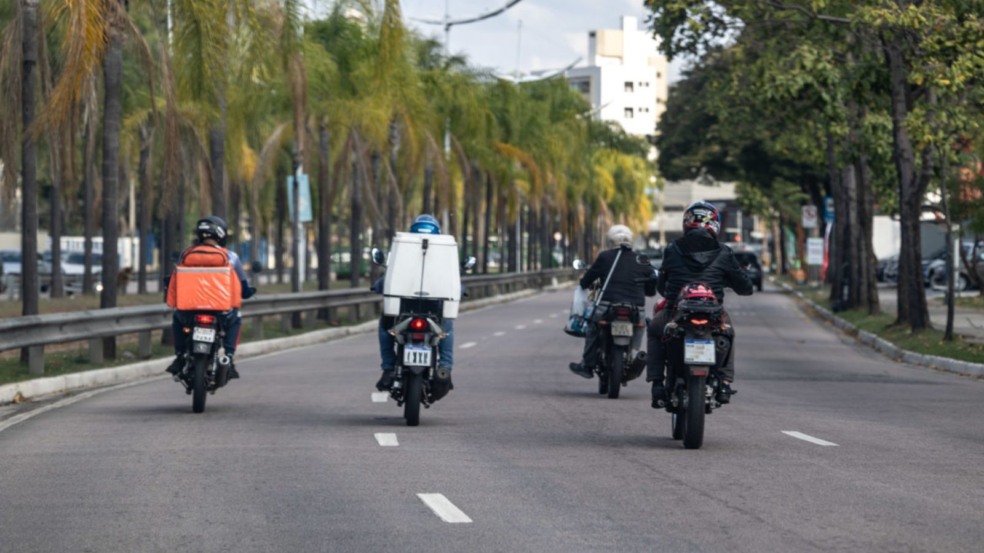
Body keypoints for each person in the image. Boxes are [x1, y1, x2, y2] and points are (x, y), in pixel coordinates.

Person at [647, 201, 753, 407]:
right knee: (728, 332)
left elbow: (662, 286)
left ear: (687, 222)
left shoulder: (672, 249)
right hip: (713, 313)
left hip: (676, 312)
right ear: (715, 224)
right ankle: (725, 382)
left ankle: (657, 384)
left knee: (654, 330)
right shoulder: (724, 252)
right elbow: (745, 287)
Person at [164, 216, 256, 379]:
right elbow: (242, 285)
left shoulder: (186, 254)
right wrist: (248, 292)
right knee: (236, 319)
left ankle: (179, 357)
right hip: (221, 313)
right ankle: (228, 357)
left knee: (177, 318)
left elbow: (174, 279)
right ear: (221, 235)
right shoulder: (231, 257)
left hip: (189, 312)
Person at [374, 214, 456, 392]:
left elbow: (390, 279)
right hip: (435, 310)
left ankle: (388, 368)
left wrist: (378, 285)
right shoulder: (444, 253)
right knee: (447, 329)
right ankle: (445, 368)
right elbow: (452, 282)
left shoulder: (404, 250)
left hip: (404, 309)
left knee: (385, 327)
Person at [568, 224, 657, 379]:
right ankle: (633, 353)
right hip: (636, 309)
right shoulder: (642, 259)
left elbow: (586, 281)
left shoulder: (605, 257)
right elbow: (651, 288)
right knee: (642, 324)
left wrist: (586, 284)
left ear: (610, 241)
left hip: (607, 305)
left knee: (593, 327)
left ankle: (588, 365)